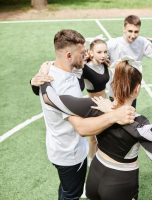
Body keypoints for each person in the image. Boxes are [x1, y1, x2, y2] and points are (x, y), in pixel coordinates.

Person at [40, 58, 152, 200]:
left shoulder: (96, 104)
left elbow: (49, 98)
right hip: (119, 184)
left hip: (94, 177)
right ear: (137, 90)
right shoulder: (140, 123)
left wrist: (43, 78)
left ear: (113, 85)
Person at [31, 29, 135, 200]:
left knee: (66, 188)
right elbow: (82, 128)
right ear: (69, 55)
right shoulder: (65, 87)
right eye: (82, 52)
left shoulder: (50, 68)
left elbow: (40, 86)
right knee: (72, 194)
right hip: (70, 153)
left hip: (57, 146)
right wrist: (114, 116)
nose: (85, 54)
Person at [107, 15, 152, 107]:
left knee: (130, 116)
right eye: (130, 31)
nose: (133, 35)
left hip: (132, 90)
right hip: (115, 89)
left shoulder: (143, 42)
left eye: (136, 32)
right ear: (124, 29)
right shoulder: (112, 44)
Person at [82, 38, 111, 163]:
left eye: (105, 52)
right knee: (93, 138)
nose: (103, 55)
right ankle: (90, 160)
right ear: (91, 52)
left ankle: (102, 159)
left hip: (105, 103)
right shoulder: (85, 68)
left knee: (105, 136)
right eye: (99, 52)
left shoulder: (104, 64)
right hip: (93, 106)